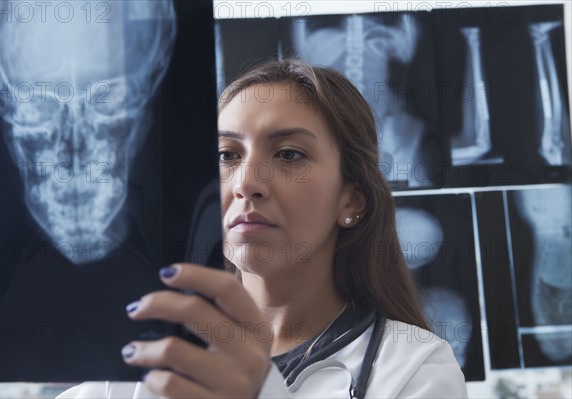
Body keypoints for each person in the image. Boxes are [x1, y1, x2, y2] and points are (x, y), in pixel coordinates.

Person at [58, 59, 467, 398]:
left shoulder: (416, 367)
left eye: (289, 154)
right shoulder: (147, 354)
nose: (246, 182)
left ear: (351, 200)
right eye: (226, 154)